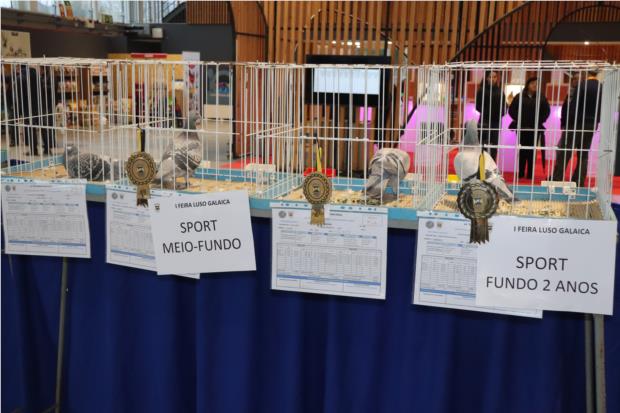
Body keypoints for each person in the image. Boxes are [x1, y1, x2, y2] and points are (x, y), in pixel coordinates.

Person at [551, 71, 602, 186]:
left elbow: (574, 107)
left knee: (565, 151)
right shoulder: (601, 87)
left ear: (587, 74)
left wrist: (568, 124)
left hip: (576, 124)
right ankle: (578, 181)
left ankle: (557, 179)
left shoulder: (582, 86)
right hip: (591, 125)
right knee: (583, 154)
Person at [508, 77, 550, 179]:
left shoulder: (541, 97)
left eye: (536, 83)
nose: (535, 85)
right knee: (522, 150)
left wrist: (540, 121)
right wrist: (519, 120)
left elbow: (546, 111)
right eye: (532, 83)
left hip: (535, 129)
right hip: (522, 128)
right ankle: (521, 172)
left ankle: (530, 174)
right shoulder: (519, 97)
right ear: (528, 85)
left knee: (532, 151)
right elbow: (511, 110)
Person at [475, 70, 506, 161]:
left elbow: (504, 107)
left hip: (496, 122)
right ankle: (482, 164)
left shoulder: (500, 91)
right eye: (490, 77)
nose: (492, 79)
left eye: (494, 77)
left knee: (494, 145)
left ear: (497, 78)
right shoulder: (481, 90)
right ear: (486, 78)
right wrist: (487, 113)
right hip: (484, 120)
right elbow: (478, 106)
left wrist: (499, 114)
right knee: (483, 144)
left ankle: (492, 165)